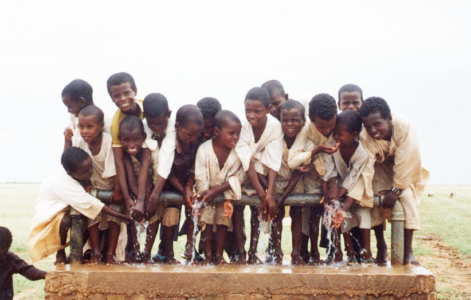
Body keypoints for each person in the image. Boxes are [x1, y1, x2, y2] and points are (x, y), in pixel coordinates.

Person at [26, 147, 131, 264]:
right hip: (49, 218)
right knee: (70, 220)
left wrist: (87, 181)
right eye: (86, 172)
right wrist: (125, 217)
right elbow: (94, 205)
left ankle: (77, 253)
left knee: (84, 217)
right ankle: (62, 254)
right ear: (71, 173)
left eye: (90, 168)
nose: (91, 172)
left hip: (66, 207)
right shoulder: (65, 182)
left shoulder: (70, 168)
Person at [356, 97, 429, 265]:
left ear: (388, 117)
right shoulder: (365, 136)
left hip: (405, 167)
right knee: (373, 198)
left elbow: (407, 157)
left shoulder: (404, 126)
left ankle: (407, 251)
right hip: (378, 167)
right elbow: (367, 165)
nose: (373, 130)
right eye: (368, 126)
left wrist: (395, 189)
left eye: (377, 124)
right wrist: (366, 190)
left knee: (407, 199)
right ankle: (381, 247)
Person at [288, 93, 340, 263]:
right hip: (309, 179)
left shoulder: (339, 127)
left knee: (320, 215)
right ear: (311, 119)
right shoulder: (307, 129)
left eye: (330, 126)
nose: (327, 130)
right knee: (305, 215)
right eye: (322, 127)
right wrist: (316, 151)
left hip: (332, 178)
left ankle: (324, 251)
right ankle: (304, 251)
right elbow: (292, 161)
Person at [235, 87, 284, 264]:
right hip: (242, 170)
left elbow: (274, 160)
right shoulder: (242, 126)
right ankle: (241, 253)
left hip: (262, 174)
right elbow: (246, 160)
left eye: (257, 111)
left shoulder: (275, 127)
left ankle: (253, 253)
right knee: (238, 211)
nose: (251, 115)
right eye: (248, 110)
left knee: (258, 212)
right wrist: (263, 194)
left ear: (268, 109)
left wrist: (269, 192)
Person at [72, 105, 124, 264]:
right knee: (92, 219)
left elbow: (116, 167)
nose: (84, 131)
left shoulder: (108, 142)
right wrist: (86, 183)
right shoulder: (80, 142)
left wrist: (117, 190)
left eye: (89, 126)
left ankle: (110, 254)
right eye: (81, 126)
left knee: (114, 220)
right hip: (93, 188)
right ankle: (95, 253)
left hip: (111, 187)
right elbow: (77, 164)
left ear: (101, 127)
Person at [194, 110, 243, 265]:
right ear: (217, 131)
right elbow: (200, 176)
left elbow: (238, 177)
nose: (235, 137)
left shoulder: (238, 152)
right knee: (207, 225)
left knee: (223, 225)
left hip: (226, 196)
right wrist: (205, 193)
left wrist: (218, 192)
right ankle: (208, 256)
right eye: (231, 133)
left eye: (238, 134)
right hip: (206, 195)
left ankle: (219, 256)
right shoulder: (204, 149)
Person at [158, 105, 204, 264]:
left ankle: (190, 249)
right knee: (171, 216)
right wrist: (182, 190)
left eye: (197, 134)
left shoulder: (195, 142)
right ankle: (167, 252)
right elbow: (167, 172)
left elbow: (193, 168)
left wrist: (188, 187)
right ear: (177, 127)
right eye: (190, 134)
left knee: (195, 212)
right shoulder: (168, 142)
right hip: (170, 185)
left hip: (188, 185)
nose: (193, 138)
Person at [329, 110, 374, 264]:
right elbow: (331, 170)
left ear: (354, 134)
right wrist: (335, 192)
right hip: (338, 189)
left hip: (358, 191)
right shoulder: (333, 149)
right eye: (335, 133)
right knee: (342, 219)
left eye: (340, 134)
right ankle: (350, 253)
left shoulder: (362, 153)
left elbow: (355, 175)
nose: (336, 137)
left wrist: (341, 191)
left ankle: (367, 252)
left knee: (364, 215)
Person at [267, 100, 305, 265]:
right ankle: (277, 252)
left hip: (296, 181)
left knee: (297, 214)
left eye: (295, 120)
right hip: (276, 181)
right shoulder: (276, 138)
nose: (290, 124)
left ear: (303, 121)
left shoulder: (305, 139)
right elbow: (271, 165)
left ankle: (295, 253)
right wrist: (274, 194)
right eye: (285, 120)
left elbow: (298, 172)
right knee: (276, 215)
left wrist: (282, 198)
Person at [141, 93, 177, 262]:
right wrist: (145, 196)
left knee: (171, 215)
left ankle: (168, 253)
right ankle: (145, 254)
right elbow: (145, 161)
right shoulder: (143, 126)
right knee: (152, 217)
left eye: (159, 123)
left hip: (171, 180)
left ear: (168, 114)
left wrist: (156, 194)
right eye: (151, 123)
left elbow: (167, 156)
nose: (155, 127)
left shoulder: (173, 126)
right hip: (148, 179)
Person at [0, 227, 46, 300]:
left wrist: (45, 274)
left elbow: (26, 270)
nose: (2, 256)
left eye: (4, 252)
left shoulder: (9, 258)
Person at [62, 79, 95, 150]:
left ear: (81, 102)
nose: (68, 111)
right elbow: (67, 157)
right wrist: (67, 139)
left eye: (70, 107)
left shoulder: (104, 121)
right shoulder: (74, 117)